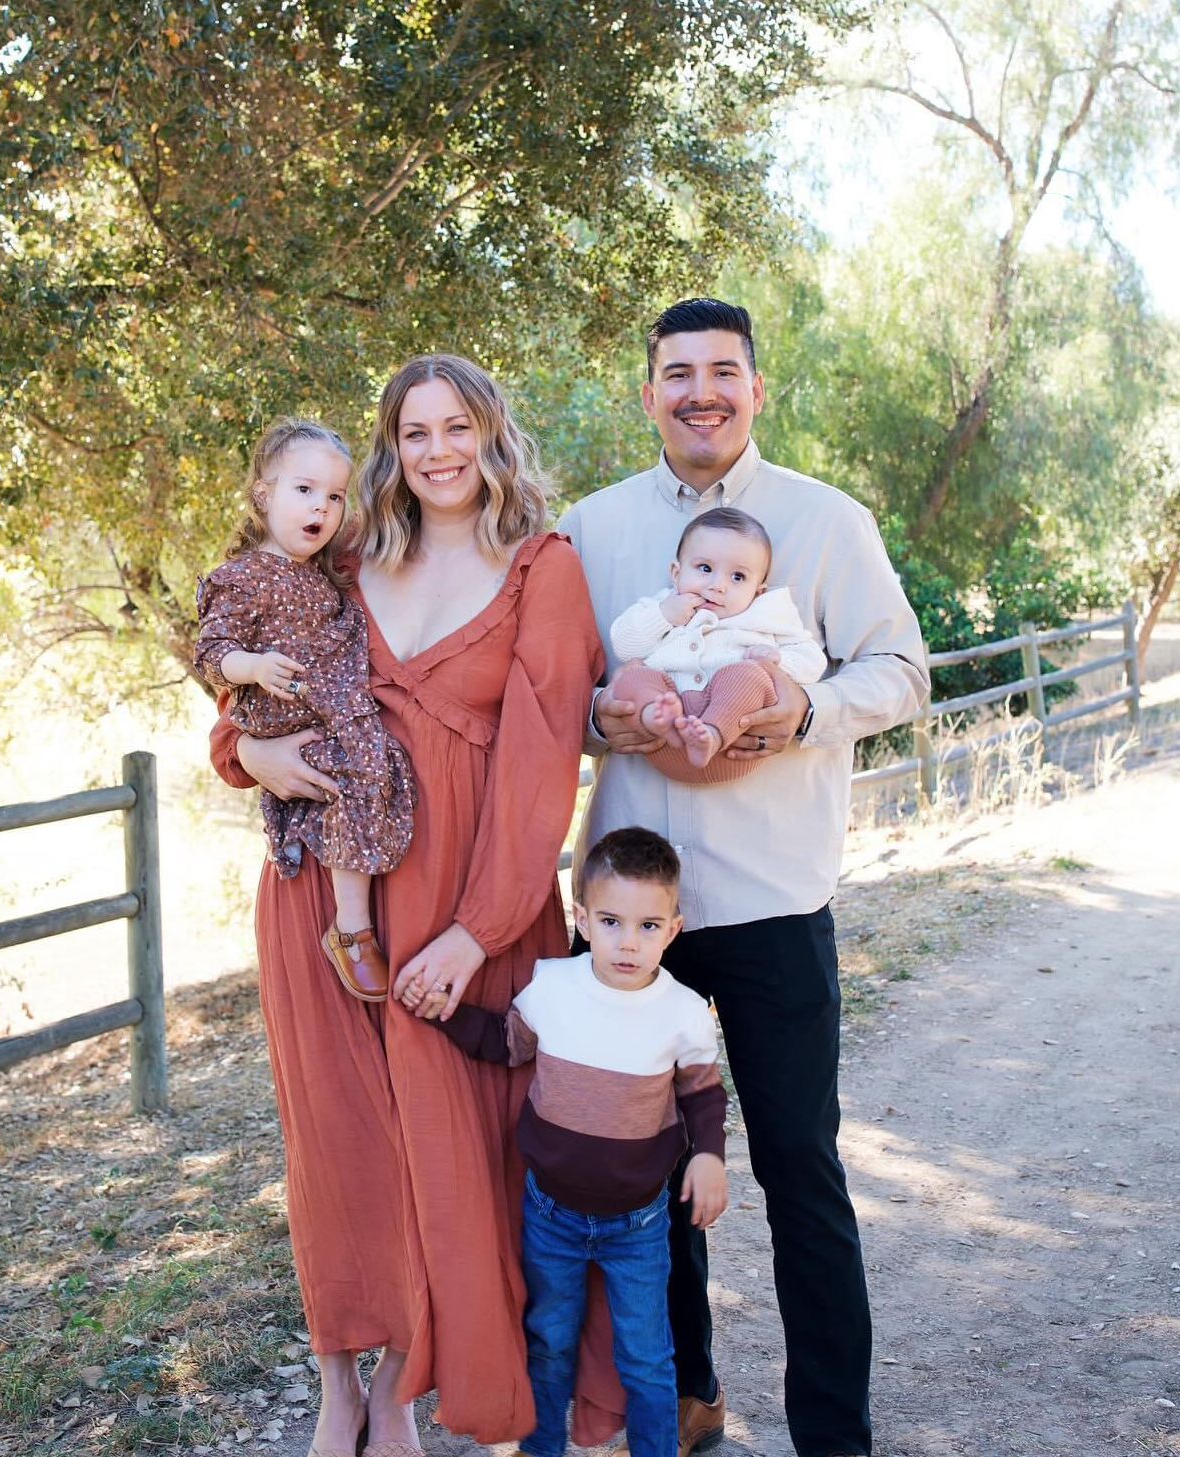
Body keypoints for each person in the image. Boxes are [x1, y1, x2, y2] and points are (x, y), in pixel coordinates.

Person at [208, 354, 604, 1457]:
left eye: (456, 426)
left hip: (468, 908)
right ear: (390, 444)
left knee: (454, 1151)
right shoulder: (346, 557)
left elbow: (541, 770)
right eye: (414, 430)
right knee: (338, 1145)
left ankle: (407, 1389)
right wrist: (243, 747)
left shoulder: (542, 565)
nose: (437, 450)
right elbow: (252, 700)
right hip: (319, 898)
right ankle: (341, 1381)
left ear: (491, 432)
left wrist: (479, 930)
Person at [558, 298, 929, 1457]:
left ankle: (833, 1432)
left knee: (800, 1171)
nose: (700, 390)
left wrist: (807, 708)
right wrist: (602, 716)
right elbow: (555, 702)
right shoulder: (590, 526)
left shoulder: (827, 521)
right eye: (678, 372)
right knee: (639, 1179)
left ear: (756, 388)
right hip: (630, 925)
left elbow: (901, 670)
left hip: (774, 904)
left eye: (723, 370)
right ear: (649, 391)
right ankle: (683, 1406)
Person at [422, 827, 729, 1457]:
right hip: (549, 1214)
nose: (627, 941)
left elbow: (702, 1095)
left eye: (648, 926)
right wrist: (443, 1010)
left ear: (672, 930)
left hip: (639, 1224)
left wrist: (708, 1157)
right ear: (582, 918)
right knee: (550, 1344)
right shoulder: (554, 987)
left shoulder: (684, 1012)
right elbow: (506, 1045)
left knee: (646, 1358)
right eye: (612, 920)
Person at [195, 418, 415, 999]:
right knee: (353, 770)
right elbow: (212, 653)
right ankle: (352, 929)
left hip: (326, 706)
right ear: (263, 494)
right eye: (304, 490)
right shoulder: (241, 579)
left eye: (335, 496)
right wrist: (254, 666)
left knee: (371, 766)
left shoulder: (320, 572)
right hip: (285, 704)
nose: (321, 506)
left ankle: (350, 913)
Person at [608, 506, 825, 777]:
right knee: (633, 676)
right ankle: (659, 717)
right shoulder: (662, 607)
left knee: (748, 674)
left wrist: (777, 660)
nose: (718, 585)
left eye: (738, 577)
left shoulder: (765, 615)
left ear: (757, 591)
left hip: (733, 742)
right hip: (661, 744)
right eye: (705, 568)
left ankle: (710, 733)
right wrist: (663, 615)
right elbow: (624, 645)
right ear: (676, 572)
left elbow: (813, 660)